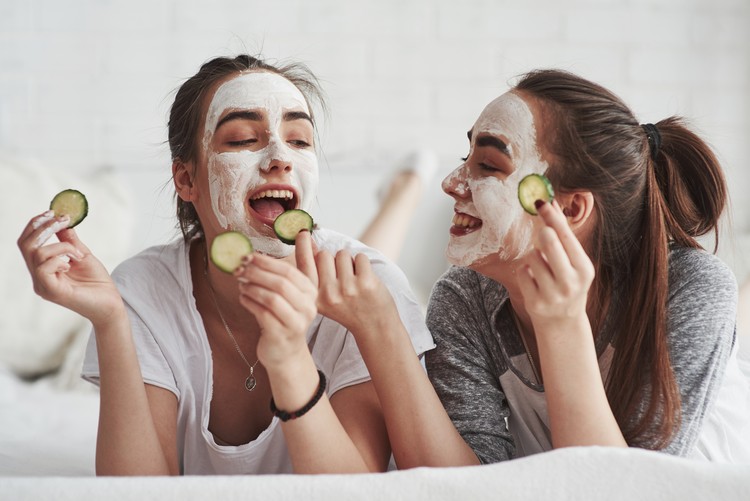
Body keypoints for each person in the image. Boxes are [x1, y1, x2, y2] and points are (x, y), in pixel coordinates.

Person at [303, 68, 750, 467]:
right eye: (465, 159)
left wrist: (561, 325)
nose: (452, 183)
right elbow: (463, 485)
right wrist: (382, 328)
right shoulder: (465, 298)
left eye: (489, 165)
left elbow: (622, 491)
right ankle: (404, 187)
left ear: (571, 208)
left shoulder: (689, 286)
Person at [17, 54, 433, 475]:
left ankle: (405, 190)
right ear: (186, 180)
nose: (280, 157)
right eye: (240, 140)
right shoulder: (142, 289)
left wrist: (290, 356)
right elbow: (136, 490)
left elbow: (354, 490)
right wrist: (111, 320)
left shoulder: (371, 283)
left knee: (374, 256)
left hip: (356, 271)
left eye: (300, 140)